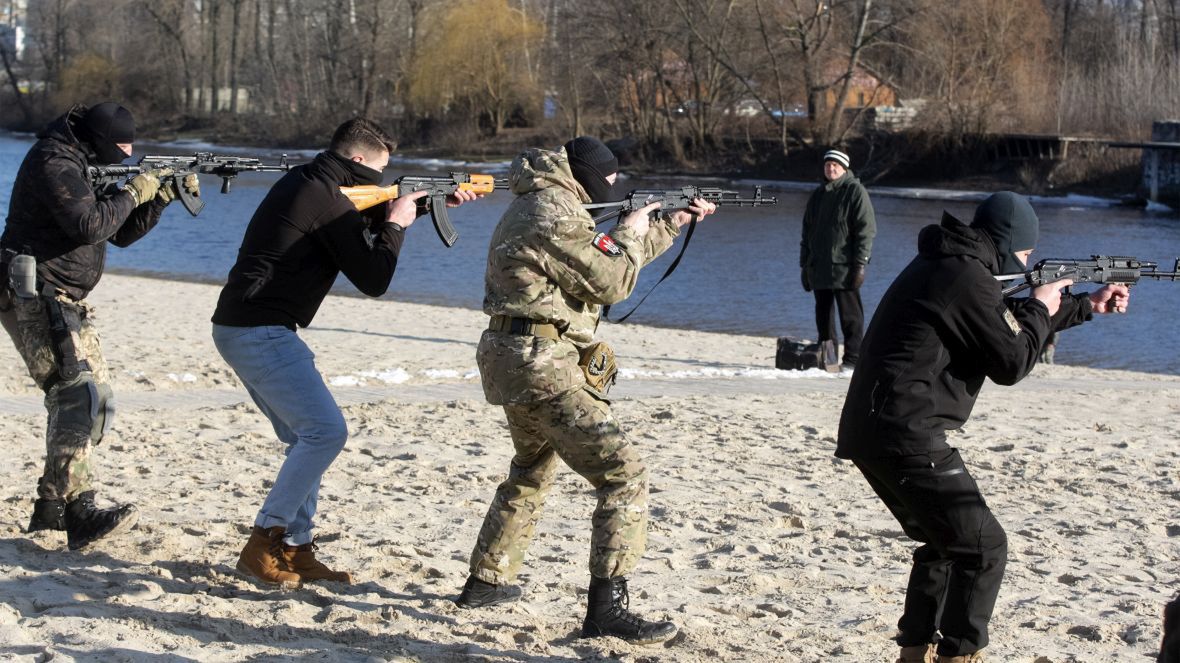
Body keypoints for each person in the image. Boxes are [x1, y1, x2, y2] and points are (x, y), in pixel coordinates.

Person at [835, 192, 1130, 663]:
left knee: (945, 543)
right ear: (1011, 244)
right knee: (983, 547)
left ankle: (914, 653)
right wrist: (1040, 300)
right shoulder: (966, 275)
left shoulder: (953, 264)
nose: (1029, 261)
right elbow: (1011, 361)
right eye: (1028, 254)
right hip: (903, 431)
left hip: (879, 428)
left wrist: (1083, 306)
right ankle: (958, 655)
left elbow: (999, 329)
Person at [453, 136, 716, 644]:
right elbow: (612, 279)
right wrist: (632, 229)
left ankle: (487, 580)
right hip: (541, 365)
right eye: (611, 179)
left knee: (533, 469)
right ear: (590, 175)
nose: (615, 187)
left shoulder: (548, 202)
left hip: (519, 359)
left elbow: (593, 266)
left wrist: (667, 223)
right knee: (624, 474)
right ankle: (606, 610)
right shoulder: (554, 209)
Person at [211, 118, 477, 589]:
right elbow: (373, 278)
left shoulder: (311, 181)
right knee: (325, 433)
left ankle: (295, 549)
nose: (379, 181)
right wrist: (396, 223)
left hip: (246, 325)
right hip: (258, 328)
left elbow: (344, 226)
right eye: (378, 171)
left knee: (305, 438)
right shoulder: (325, 197)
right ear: (357, 161)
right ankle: (262, 542)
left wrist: (423, 202)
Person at [0, 102, 198, 551]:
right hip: (36, 293)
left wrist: (158, 199)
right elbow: (90, 224)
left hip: (66, 298)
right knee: (76, 396)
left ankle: (49, 508)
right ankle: (79, 511)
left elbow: (119, 232)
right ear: (101, 141)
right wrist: (134, 190)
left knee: (97, 401)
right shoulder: (55, 161)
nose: (127, 158)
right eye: (122, 149)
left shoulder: (84, 160)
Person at [799, 148, 876, 371]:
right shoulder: (818, 195)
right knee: (823, 316)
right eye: (827, 165)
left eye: (835, 165)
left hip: (845, 266)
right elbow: (807, 232)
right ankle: (828, 359)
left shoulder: (855, 192)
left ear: (844, 168)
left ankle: (853, 359)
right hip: (819, 266)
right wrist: (804, 265)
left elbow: (866, 230)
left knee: (850, 317)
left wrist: (861, 263)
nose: (831, 168)